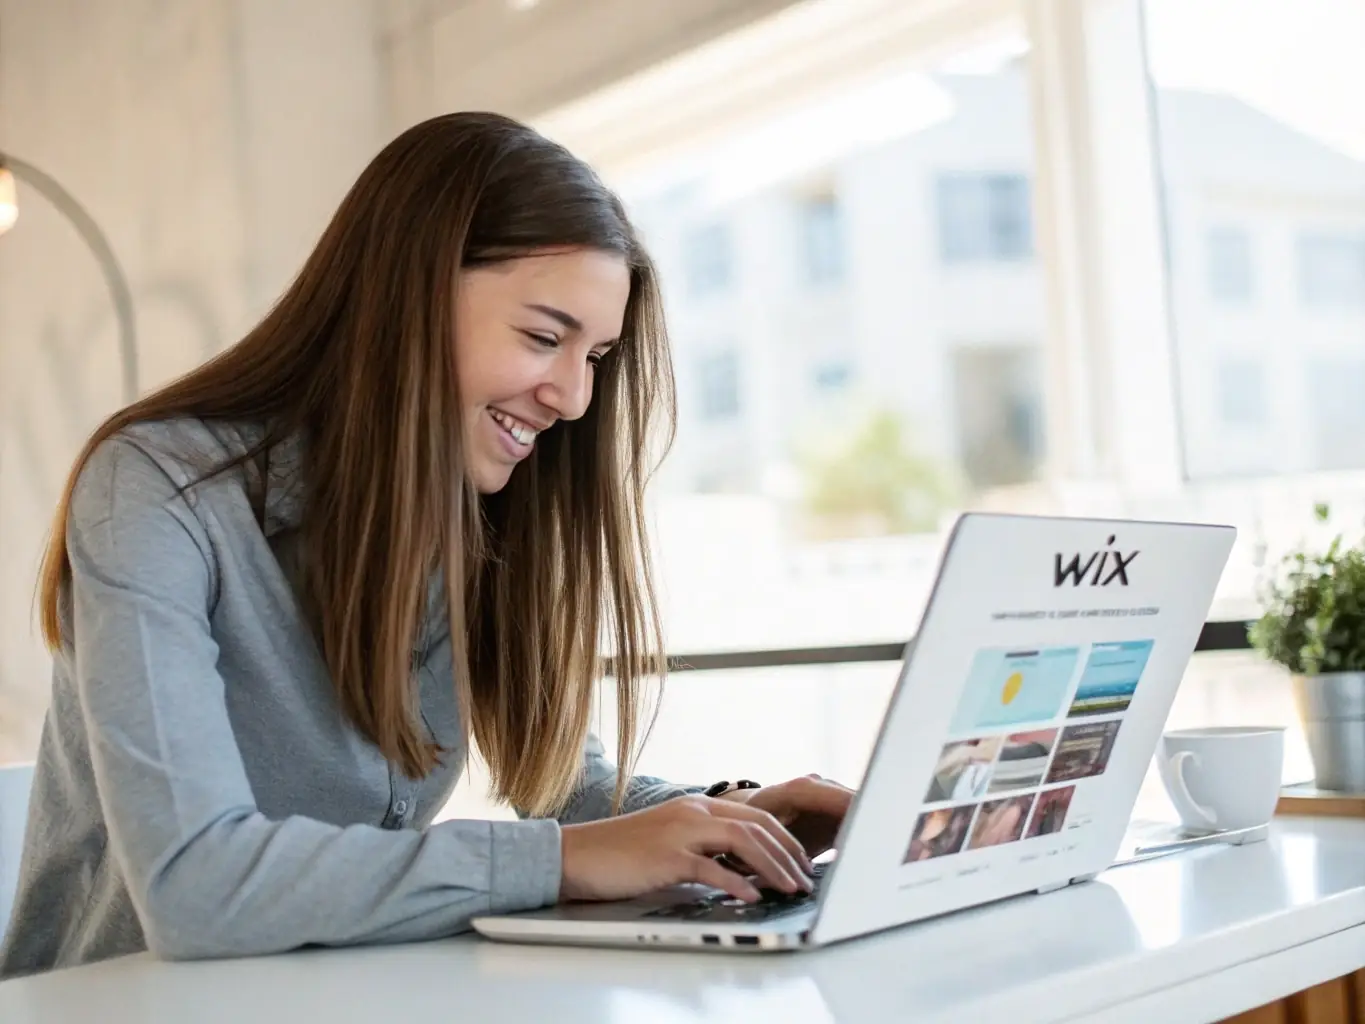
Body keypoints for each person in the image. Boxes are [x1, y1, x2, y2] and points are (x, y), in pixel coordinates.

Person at [0, 112, 853, 978]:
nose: (573, 397)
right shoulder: (156, 487)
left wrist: (727, 820)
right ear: (406, 297)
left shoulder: (469, 504)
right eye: (543, 337)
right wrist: (557, 861)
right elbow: (195, 888)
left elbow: (563, 782)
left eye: (596, 354)